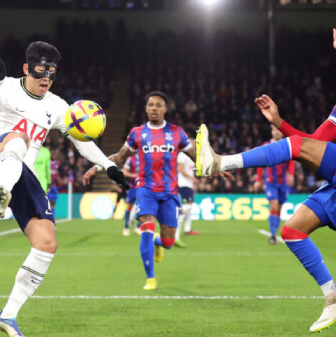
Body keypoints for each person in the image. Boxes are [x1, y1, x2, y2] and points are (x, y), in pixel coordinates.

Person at [195, 21, 336, 332]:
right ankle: (333, 297)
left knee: (296, 150)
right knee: (292, 230)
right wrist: (281, 122)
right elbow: (312, 144)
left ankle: (219, 163)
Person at [0, 41, 129, 337]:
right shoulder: (5, 86)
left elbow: (81, 141)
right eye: (41, 69)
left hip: (23, 175)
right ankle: (1, 193)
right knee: (18, 137)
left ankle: (8, 316)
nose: (46, 76)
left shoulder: (58, 106)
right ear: (26, 68)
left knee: (46, 242)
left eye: (52, 72)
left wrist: (108, 167)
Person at [83, 91, 232, 290]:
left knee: (169, 241)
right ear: (146, 108)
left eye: (158, 105)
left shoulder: (177, 133)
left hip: (170, 192)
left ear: (165, 109)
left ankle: (159, 243)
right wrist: (96, 166)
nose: (154, 108)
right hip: (145, 190)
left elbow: (195, 155)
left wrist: (217, 167)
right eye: (151, 105)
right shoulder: (137, 133)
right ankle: (150, 278)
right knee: (146, 228)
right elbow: (120, 158)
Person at [254, 126, 295, 245]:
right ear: (272, 132)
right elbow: (260, 162)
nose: (276, 132)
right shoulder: (267, 145)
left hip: (282, 183)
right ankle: (272, 235)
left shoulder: (287, 146)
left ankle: (274, 232)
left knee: (279, 209)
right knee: (274, 205)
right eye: (274, 130)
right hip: (270, 182)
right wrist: (258, 179)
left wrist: (291, 174)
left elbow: (291, 161)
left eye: (278, 131)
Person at [175, 151, 200, 247]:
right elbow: (180, 169)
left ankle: (187, 229)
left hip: (188, 184)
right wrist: (191, 178)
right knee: (188, 207)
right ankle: (177, 216)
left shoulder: (191, 156)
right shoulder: (182, 155)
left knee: (189, 208)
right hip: (183, 184)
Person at [122, 153, 141, 236]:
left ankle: (138, 227)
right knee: (128, 209)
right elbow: (123, 171)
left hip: (142, 188)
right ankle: (126, 227)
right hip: (132, 188)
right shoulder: (131, 159)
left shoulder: (147, 157)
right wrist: (133, 175)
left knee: (141, 208)